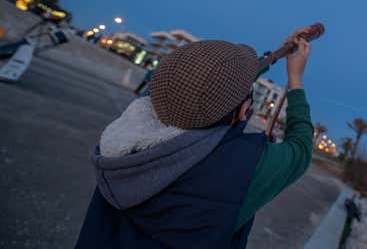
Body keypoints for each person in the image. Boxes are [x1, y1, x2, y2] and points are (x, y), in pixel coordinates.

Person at [76, 28, 314, 248]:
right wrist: (295, 79)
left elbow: (193, 81)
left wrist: (274, 55)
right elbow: (301, 147)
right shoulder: (244, 167)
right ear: (243, 111)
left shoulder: (134, 125)